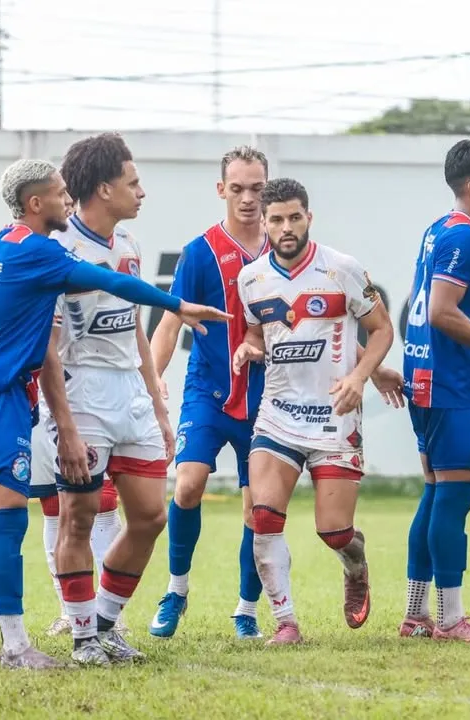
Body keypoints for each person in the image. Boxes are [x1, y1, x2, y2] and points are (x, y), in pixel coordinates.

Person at [0, 159, 230, 669]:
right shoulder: (44, 251)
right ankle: (19, 647)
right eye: (58, 194)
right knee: (10, 521)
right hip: (7, 395)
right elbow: (108, 284)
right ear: (36, 203)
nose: (66, 201)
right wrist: (177, 304)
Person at [29, 133, 174, 665]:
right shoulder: (60, 250)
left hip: (130, 390)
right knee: (79, 515)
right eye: (134, 182)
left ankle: (104, 624)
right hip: (79, 388)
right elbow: (46, 344)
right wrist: (63, 422)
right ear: (104, 188)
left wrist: (156, 400)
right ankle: (83, 637)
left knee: (151, 516)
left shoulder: (128, 248)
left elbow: (134, 324)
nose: (142, 192)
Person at [232, 177, 396, 645]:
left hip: (334, 416)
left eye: (295, 217)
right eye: (277, 219)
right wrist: (247, 349)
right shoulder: (251, 278)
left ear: (309, 218)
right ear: (263, 223)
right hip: (278, 414)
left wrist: (360, 376)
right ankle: (286, 623)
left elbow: (381, 331)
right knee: (262, 517)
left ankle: (355, 564)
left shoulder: (342, 268)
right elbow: (254, 332)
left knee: (334, 531)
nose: (287, 227)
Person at [147, 146, 270, 640]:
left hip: (267, 399)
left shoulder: (285, 248)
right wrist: (152, 383)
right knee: (188, 484)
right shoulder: (199, 252)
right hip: (208, 391)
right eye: (237, 188)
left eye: (256, 188)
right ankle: (176, 590)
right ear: (221, 190)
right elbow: (169, 322)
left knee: (256, 508)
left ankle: (246, 610)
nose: (247, 198)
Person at [399, 138, 470, 643]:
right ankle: (450, 618)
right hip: (452, 384)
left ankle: (416, 613)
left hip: (426, 378)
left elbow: (420, 306)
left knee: (435, 494)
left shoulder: (438, 229)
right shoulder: (466, 238)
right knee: (454, 500)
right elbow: (443, 312)